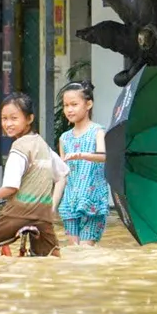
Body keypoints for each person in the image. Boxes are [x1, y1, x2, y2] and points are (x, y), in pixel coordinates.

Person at [0, 92, 69, 257]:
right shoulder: (43, 145)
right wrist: (51, 207)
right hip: (43, 216)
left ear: (29, 119)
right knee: (52, 258)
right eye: (4, 118)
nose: (8, 124)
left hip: (18, 213)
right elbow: (62, 175)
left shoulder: (19, 148)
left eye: (14, 118)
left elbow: (11, 187)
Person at [57, 79, 110, 246]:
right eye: (66, 105)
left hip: (93, 200)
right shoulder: (64, 138)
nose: (69, 109)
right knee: (73, 251)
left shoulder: (97, 131)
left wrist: (82, 155)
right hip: (70, 201)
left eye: (74, 104)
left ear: (88, 104)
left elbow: (103, 156)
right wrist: (52, 205)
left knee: (86, 251)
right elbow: (62, 175)